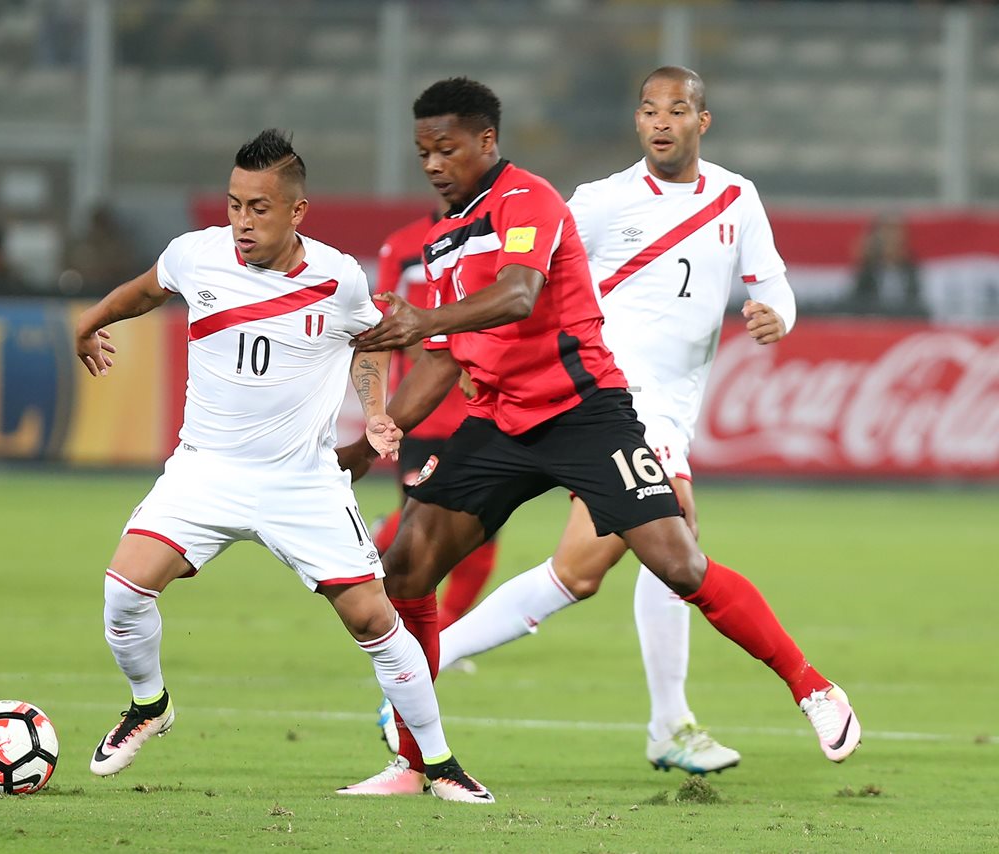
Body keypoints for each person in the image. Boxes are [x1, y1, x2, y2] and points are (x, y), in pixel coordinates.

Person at [337, 77, 860, 795]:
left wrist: (778, 314)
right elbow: (444, 354)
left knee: (674, 561)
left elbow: (522, 291)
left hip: (590, 408)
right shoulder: (449, 239)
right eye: (423, 151)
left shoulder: (542, 200)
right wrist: (372, 441)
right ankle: (416, 759)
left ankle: (809, 689)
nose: (431, 164)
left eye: (446, 150)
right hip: (506, 417)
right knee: (409, 570)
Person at [74, 129, 493, 804]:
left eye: (259, 208)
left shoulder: (338, 277)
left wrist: (377, 409)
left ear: (297, 211)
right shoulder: (196, 255)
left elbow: (366, 345)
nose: (242, 221)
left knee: (374, 622)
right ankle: (149, 705)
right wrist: (90, 320)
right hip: (203, 472)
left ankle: (439, 763)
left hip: (301, 482)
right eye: (235, 204)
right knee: (124, 590)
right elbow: (145, 291)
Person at [437, 66, 801, 775]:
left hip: (672, 406)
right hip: (611, 400)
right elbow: (535, 273)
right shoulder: (601, 202)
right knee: (677, 533)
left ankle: (427, 661)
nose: (661, 120)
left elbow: (772, 281)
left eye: (676, 109)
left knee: (578, 572)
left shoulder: (737, 196)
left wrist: (774, 314)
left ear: (703, 120)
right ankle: (673, 725)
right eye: (648, 109)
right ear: (636, 122)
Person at [371, 205, 502, 753]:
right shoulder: (401, 248)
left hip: (482, 412)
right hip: (425, 413)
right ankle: (422, 658)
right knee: (423, 540)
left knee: (478, 542)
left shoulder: (501, 238)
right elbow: (382, 324)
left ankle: (440, 642)